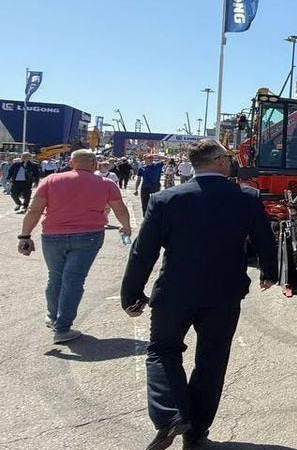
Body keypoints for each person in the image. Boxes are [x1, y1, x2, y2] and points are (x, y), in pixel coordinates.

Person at [121, 140, 278, 450]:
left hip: (175, 292)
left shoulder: (165, 199)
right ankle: (196, 436)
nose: (232, 162)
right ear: (219, 161)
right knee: (212, 360)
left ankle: (170, 416)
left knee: (163, 351)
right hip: (224, 293)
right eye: (229, 158)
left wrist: (132, 293)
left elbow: (143, 252)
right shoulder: (247, 197)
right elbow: (264, 240)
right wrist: (269, 273)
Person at [16, 150, 132, 343]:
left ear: (71, 162)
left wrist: (25, 235)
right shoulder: (106, 184)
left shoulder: (51, 180)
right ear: (94, 163)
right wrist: (125, 226)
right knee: (74, 280)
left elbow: (34, 209)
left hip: (53, 235)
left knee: (55, 277)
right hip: (89, 236)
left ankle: (53, 317)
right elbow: (120, 208)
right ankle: (62, 328)